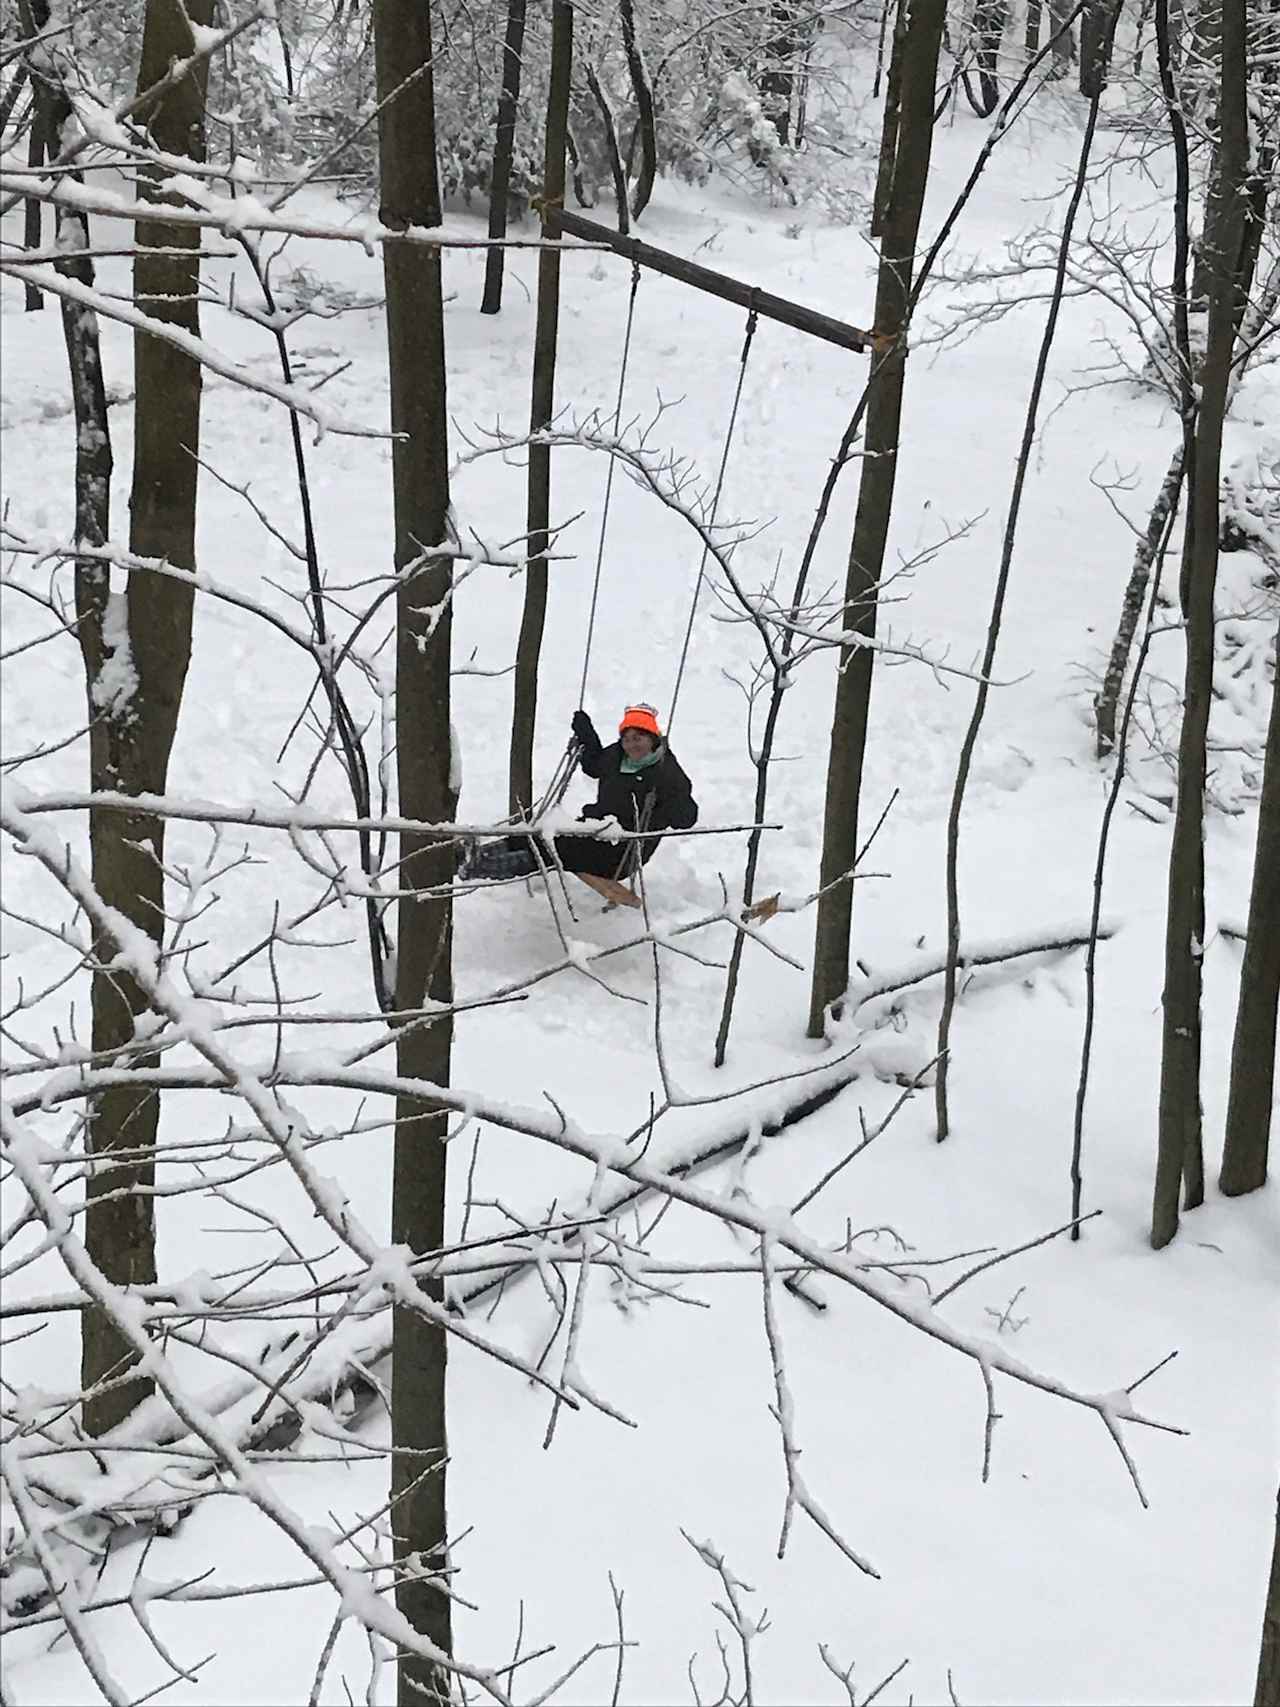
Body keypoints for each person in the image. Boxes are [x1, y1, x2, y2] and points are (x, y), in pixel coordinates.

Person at [461, 703, 698, 887]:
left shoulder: (667, 771)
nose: (631, 745)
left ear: (653, 739)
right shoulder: (617, 756)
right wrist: (587, 734)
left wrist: (672, 800)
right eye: (626, 739)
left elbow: (686, 818)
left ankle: (480, 869)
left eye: (639, 738)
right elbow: (594, 765)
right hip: (593, 830)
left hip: (623, 851)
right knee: (539, 835)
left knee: (555, 849)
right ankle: (473, 855)